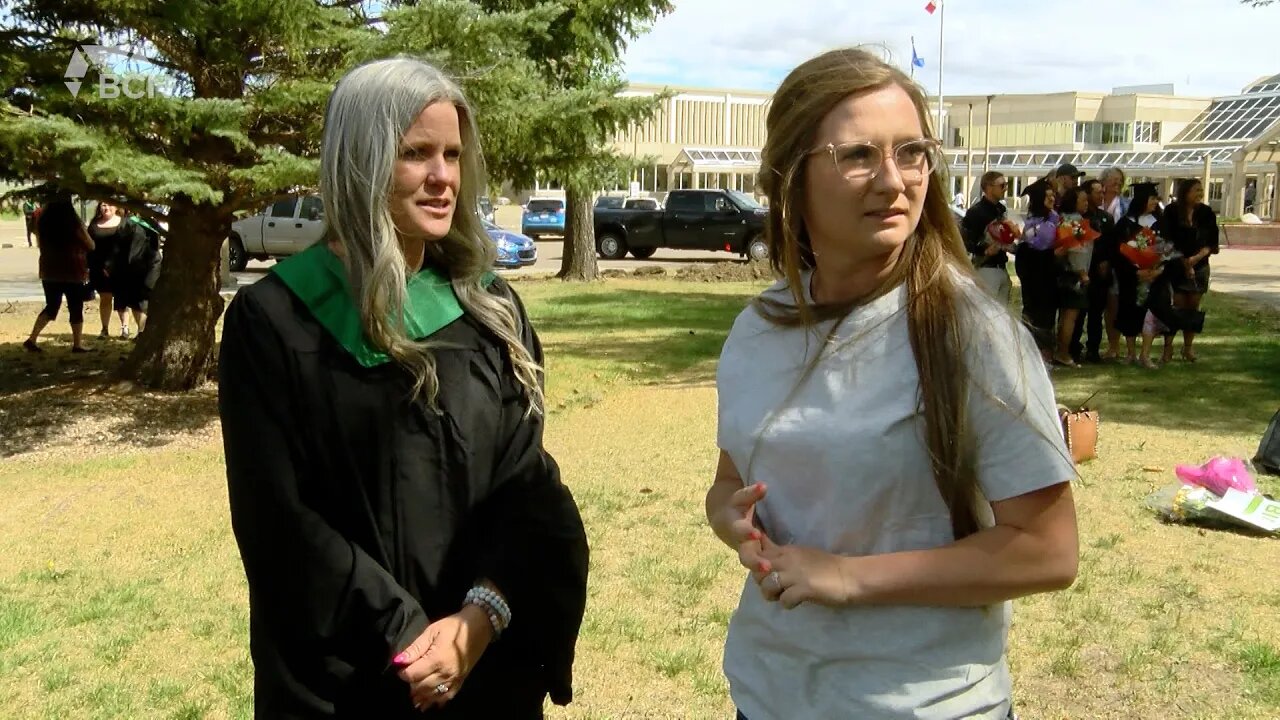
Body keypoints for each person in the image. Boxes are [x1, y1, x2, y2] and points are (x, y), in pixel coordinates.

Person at [707, 47, 1078, 720]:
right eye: (858, 156)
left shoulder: (972, 334)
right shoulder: (757, 330)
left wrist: (848, 577)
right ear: (791, 178)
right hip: (768, 696)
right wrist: (730, 519)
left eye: (912, 152)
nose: (894, 180)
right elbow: (731, 483)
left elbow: (1047, 551)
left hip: (925, 705)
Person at [218, 57, 589, 718]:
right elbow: (278, 518)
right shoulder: (275, 320)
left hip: (484, 665)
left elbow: (526, 487)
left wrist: (479, 619)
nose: (444, 177)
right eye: (415, 153)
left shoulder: (487, 310)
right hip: (350, 679)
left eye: (452, 153)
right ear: (358, 160)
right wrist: (407, 636)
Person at [23, 195, 95, 353]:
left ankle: (32, 338)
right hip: (72, 270)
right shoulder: (73, 223)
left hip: (49, 270)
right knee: (75, 307)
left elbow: (39, 242)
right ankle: (77, 344)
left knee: (51, 306)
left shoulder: (43, 222)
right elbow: (90, 244)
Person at [1161, 178, 1218, 362]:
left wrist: (1194, 260)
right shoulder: (1171, 211)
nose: (1200, 194)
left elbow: (1212, 243)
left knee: (1192, 307)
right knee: (1176, 306)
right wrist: (1184, 262)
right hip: (1176, 264)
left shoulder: (1207, 213)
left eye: (1201, 191)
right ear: (1185, 192)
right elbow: (1167, 240)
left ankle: (1187, 348)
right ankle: (1167, 348)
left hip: (1199, 266)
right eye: (1196, 190)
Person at [1113, 182, 1165, 364]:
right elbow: (1118, 253)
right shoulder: (1125, 224)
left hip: (1155, 278)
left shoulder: (1160, 223)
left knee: (1150, 314)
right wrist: (1136, 272)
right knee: (1129, 313)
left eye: (1156, 199)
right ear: (1142, 200)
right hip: (1131, 279)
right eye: (1152, 198)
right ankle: (1130, 353)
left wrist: (1156, 270)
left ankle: (1145, 354)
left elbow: (1166, 249)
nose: (1155, 202)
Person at [1071, 179, 1118, 363]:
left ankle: (1093, 349)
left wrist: (1106, 262)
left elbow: (1112, 243)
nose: (1101, 195)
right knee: (1078, 311)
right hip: (1083, 269)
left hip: (1100, 273)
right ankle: (1074, 347)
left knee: (1096, 313)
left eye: (1102, 192)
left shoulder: (1106, 218)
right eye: (1097, 192)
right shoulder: (1079, 218)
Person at [1016, 178, 1060, 362]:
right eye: (1048, 196)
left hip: (1047, 271)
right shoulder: (1032, 219)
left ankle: (1045, 353)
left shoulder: (1054, 218)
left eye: (1053, 196)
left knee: (1046, 313)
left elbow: (1046, 244)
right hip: (1031, 271)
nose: (1052, 199)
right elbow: (1028, 243)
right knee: (1031, 311)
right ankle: (1029, 352)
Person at [1053, 186, 1092, 368]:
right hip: (1074, 276)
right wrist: (1083, 273)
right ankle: (1063, 352)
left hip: (1063, 274)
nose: (1086, 203)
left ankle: (1060, 350)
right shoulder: (1076, 223)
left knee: (1064, 317)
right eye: (1083, 200)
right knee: (1070, 317)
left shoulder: (1062, 220)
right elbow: (1077, 252)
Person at [961, 171, 1013, 301]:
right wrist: (984, 250)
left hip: (1002, 267)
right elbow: (965, 241)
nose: (1005, 188)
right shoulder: (976, 212)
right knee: (988, 314)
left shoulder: (1001, 209)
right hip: (986, 269)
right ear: (989, 187)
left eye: (1006, 184)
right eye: (1002, 185)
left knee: (1003, 316)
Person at [109, 214, 162, 336]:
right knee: (136, 301)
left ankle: (143, 331)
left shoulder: (148, 222)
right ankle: (141, 331)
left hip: (147, 267)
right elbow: (118, 247)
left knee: (143, 300)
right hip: (134, 268)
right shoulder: (127, 223)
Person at [87, 201, 130, 338]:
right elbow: (89, 249)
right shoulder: (94, 225)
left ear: (117, 206)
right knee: (105, 299)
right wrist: (90, 267)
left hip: (120, 268)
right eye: (103, 205)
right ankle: (104, 329)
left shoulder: (124, 223)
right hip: (99, 269)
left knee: (122, 299)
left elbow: (128, 247)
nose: (106, 208)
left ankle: (125, 328)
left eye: (110, 204)